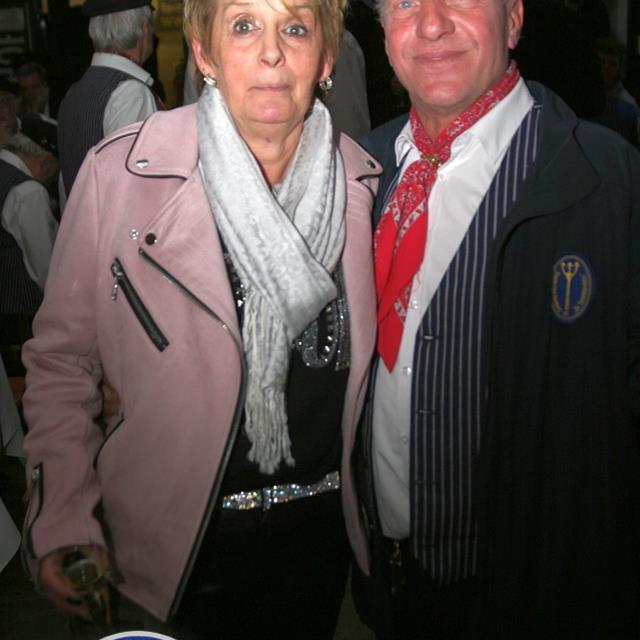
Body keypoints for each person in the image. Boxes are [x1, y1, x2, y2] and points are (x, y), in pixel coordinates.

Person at [21, 0, 380, 637]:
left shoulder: (367, 187)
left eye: (295, 27)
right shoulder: (121, 175)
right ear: (203, 51)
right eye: (243, 25)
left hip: (315, 560)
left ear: (326, 56)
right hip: (160, 564)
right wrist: (65, 514)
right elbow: (62, 363)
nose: (271, 52)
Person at [352, 0, 640, 638]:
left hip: (539, 595)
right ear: (384, 33)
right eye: (404, 3)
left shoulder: (609, 179)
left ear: (513, 18)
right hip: (390, 584)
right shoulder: (359, 173)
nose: (430, 24)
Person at [57, 0, 159, 200]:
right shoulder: (131, 93)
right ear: (145, 28)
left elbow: (65, 180)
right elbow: (135, 188)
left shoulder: (74, 93)